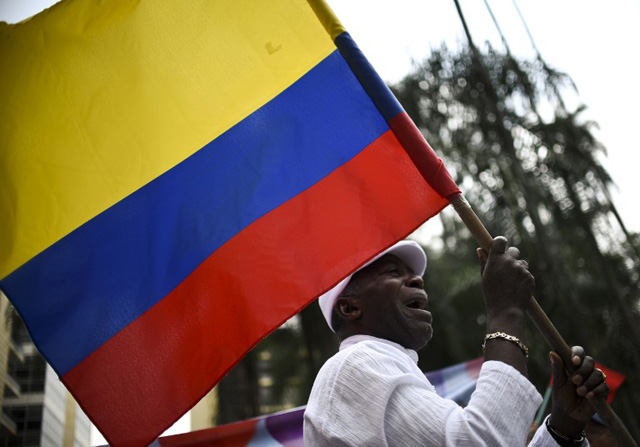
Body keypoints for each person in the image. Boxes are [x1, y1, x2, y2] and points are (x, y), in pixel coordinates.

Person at [303, 237, 609, 446]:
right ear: (350, 307)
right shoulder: (357, 363)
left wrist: (563, 428)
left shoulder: (383, 366)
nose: (416, 280)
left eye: (413, 274)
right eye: (393, 272)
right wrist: (506, 312)